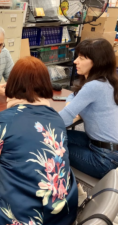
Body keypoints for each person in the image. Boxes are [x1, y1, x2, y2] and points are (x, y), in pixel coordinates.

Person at [0, 56, 78, 225]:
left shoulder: (1, 122)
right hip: (61, 215)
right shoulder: (56, 118)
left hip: (16, 220)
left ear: (13, 84)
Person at [59, 38, 118, 180]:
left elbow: (63, 120)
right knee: (61, 137)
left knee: (49, 143)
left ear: (97, 62)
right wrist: (71, 106)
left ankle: (69, 188)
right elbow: (73, 95)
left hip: (103, 160)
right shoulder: (108, 80)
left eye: (81, 58)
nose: (75, 61)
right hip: (108, 149)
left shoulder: (94, 86)